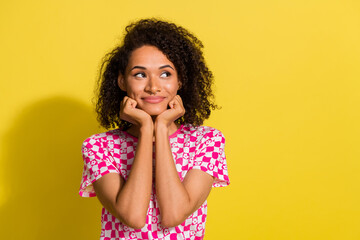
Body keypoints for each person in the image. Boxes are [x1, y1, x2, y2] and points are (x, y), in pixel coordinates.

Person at [79, 18, 230, 240]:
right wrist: (145, 129)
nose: (153, 86)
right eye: (140, 74)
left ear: (180, 81)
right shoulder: (100, 147)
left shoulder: (206, 141)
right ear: (122, 82)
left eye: (166, 74)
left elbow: (173, 215)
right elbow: (132, 217)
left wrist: (160, 128)